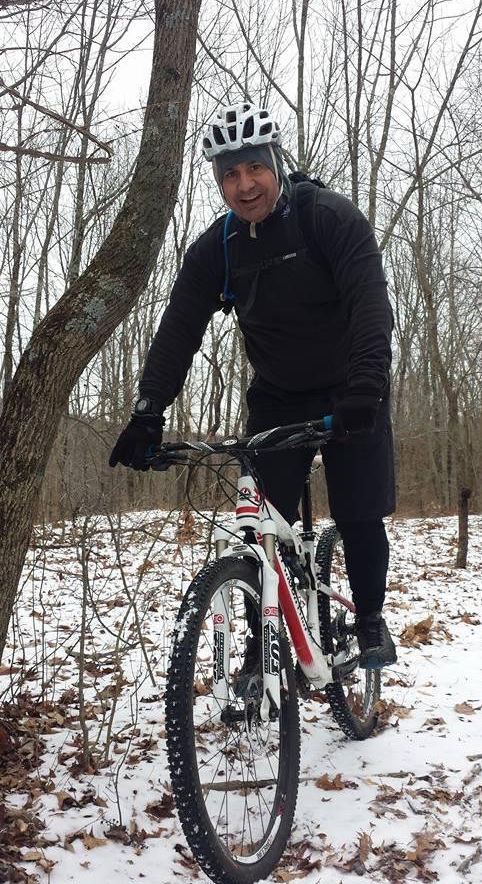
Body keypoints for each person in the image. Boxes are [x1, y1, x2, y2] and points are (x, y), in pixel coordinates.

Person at [110, 102, 397, 669]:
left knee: (359, 511)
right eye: (229, 175)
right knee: (257, 528)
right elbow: (178, 331)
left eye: (254, 169)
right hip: (279, 395)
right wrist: (148, 411)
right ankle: (262, 650)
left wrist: (367, 386)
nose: (244, 186)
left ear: (276, 163)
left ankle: (368, 619)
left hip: (350, 389)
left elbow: (370, 306)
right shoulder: (218, 248)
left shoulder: (329, 219)